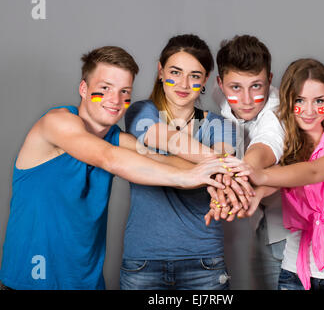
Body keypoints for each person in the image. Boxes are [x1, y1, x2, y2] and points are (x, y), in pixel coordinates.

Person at [0, 46, 236, 290]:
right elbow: (108, 158)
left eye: (124, 91)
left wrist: (217, 176)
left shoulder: (116, 137)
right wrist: (186, 177)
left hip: (87, 285)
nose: (115, 100)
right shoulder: (56, 122)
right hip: (29, 283)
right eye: (104, 89)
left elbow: (158, 159)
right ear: (83, 89)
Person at [228, 58, 324, 290]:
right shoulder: (289, 156)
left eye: (319, 101)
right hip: (295, 276)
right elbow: (280, 176)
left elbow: (313, 171)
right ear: (289, 102)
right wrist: (253, 194)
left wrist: (260, 175)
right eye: (300, 100)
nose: (309, 111)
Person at [120, 34, 249, 290]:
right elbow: (168, 139)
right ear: (160, 71)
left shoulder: (221, 126)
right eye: (175, 72)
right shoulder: (142, 113)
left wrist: (219, 170)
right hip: (143, 260)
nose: (183, 83)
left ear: (205, 80)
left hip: (204, 260)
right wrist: (219, 168)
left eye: (195, 76)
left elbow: (221, 164)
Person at [205, 35, 288, 289]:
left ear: (270, 81)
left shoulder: (277, 110)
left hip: (287, 231)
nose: (247, 100)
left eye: (256, 86)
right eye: (235, 87)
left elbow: (265, 144)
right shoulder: (220, 96)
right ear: (220, 83)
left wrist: (238, 173)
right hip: (252, 223)